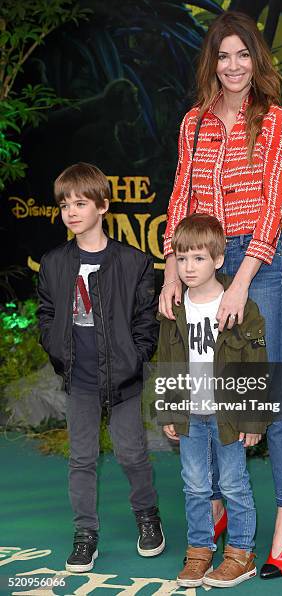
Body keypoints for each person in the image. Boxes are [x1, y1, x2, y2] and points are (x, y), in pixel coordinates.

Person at [159, 11, 282, 579]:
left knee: (267, 397)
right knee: (204, 384)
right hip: (197, 258)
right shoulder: (193, 123)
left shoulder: (276, 121)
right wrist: (173, 268)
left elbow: (273, 206)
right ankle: (216, 507)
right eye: (223, 56)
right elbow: (181, 195)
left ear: (257, 58)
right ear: (211, 63)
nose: (234, 65)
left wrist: (240, 281)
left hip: (257, 263)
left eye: (243, 54)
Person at [37, 162, 165, 573]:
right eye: (64, 205)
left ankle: (148, 517)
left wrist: (136, 358)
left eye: (80, 202)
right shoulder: (54, 262)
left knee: (131, 454)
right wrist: (57, 350)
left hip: (124, 378)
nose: (71, 211)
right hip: (80, 378)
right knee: (82, 459)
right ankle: (85, 533)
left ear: (103, 206)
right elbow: (47, 314)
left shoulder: (134, 262)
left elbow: (147, 321)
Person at [157, 213, 268, 588]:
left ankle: (240, 553)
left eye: (199, 258)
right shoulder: (175, 306)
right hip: (190, 414)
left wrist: (253, 419)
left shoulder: (239, 305)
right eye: (182, 258)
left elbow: (255, 363)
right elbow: (166, 359)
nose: (189, 267)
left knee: (235, 484)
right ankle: (199, 551)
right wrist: (169, 408)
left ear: (218, 260)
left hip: (229, 417)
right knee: (194, 485)